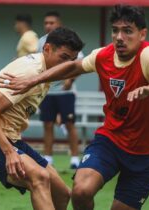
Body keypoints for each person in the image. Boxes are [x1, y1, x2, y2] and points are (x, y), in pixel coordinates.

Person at [0, 5, 149, 210]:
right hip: (111, 141)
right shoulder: (103, 55)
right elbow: (73, 66)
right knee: (80, 191)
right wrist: (33, 80)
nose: (119, 37)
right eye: (115, 30)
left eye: (127, 31)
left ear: (142, 34)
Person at [0, 27, 84, 210]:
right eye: (63, 57)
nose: (66, 65)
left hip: (4, 138)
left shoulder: (45, 72)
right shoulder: (31, 71)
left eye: (71, 60)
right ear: (47, 49)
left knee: (61, 193)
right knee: (39, 178)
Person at [38, 11, 83, 168]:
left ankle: (75, 159)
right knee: (48, 124)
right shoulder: (41, 42)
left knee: (69, 124)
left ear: (59, 24)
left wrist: (70, 79)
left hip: (65, 93)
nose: (48, 25)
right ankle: (48, 158)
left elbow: (80, 63)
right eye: (46, 23)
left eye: (52, 22)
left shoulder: (68, 40)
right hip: (47, 92)